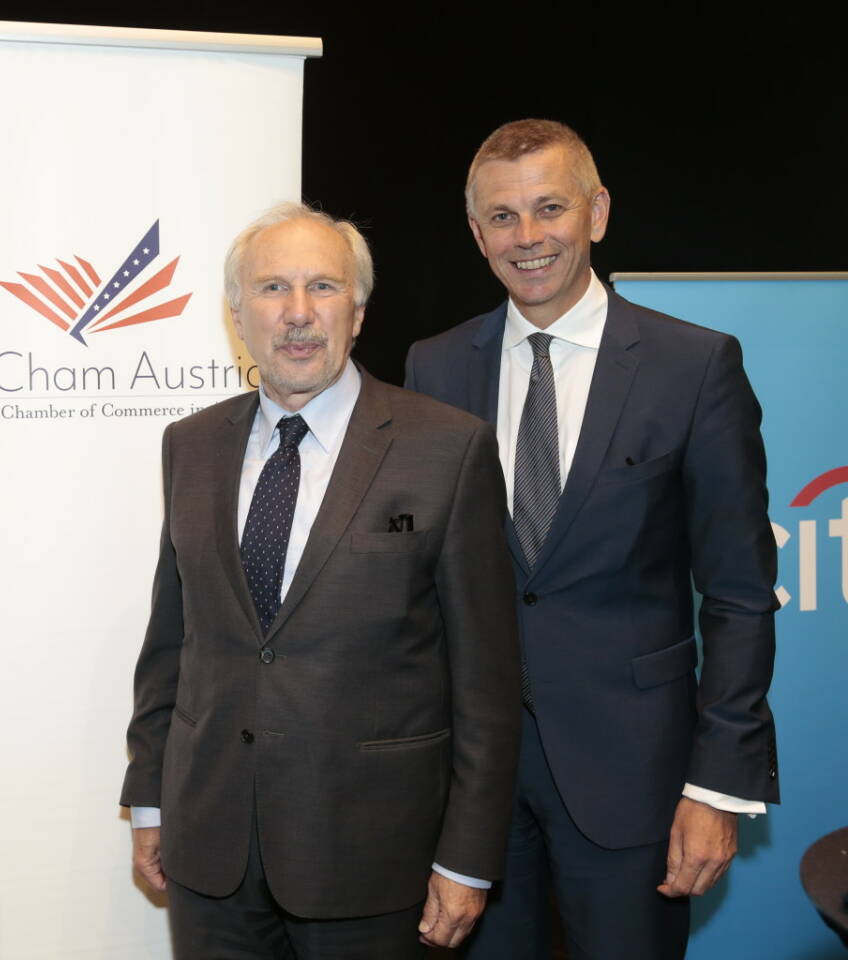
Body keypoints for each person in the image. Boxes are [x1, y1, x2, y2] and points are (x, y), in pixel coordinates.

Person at [404, 118, 779, 958]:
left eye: (550, 208)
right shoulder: (435, 367)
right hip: (475, 791)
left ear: (598, 212)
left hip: (638, 780)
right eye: (503, 217)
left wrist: (718, 783)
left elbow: (740, 593)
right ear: (475, 234)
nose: (528, 237)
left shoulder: (694, 366)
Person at [120, 202, 522, 958]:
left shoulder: (448, 450)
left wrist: (467, 858)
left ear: (359, 312)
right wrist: (150, 801)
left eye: (323, 289)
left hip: (375, 861)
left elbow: (487, 686)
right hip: (213, 856)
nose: (298, 315)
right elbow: (173, 644)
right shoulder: (192, 446)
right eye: (272, 289)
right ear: (238, 315)